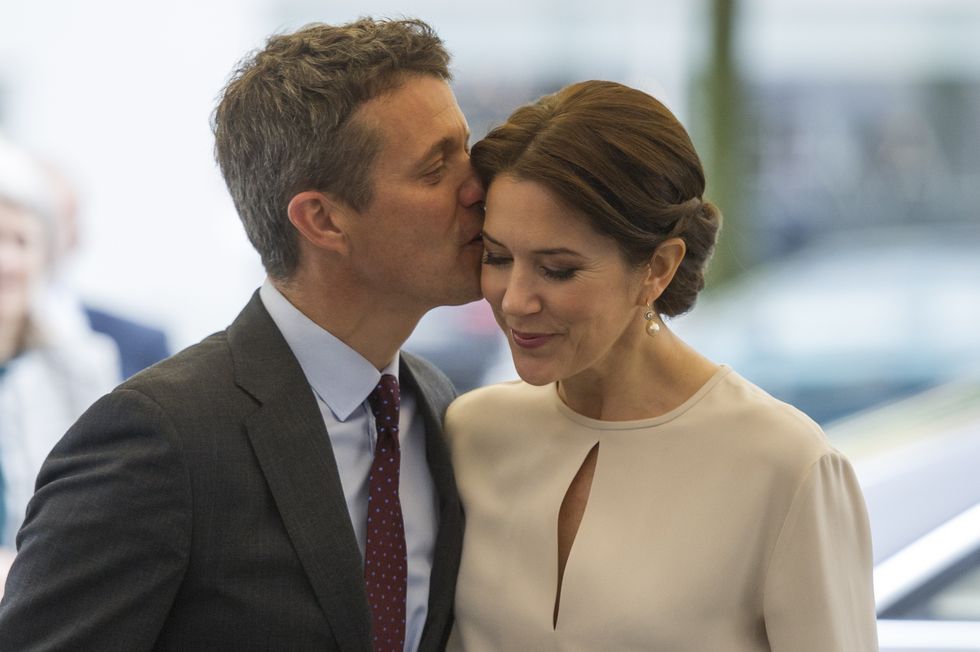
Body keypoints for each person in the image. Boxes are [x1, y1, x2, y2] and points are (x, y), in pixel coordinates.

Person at [0, 17, 484, 651]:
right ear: (323, 219)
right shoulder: (160, 437)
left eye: (467, 150)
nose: (477, 187)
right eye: (434, 169)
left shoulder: (440, 406)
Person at [445, 80, 877, 651]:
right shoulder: (469, 431)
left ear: (658, 268)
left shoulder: (785, 464)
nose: (515, 299)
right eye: (498, 257)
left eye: (557, 269)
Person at [0, 136, 120, 562]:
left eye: (21, 241)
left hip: (42, 607)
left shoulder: (84, 367)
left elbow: (100, 518)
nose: (7, 262)